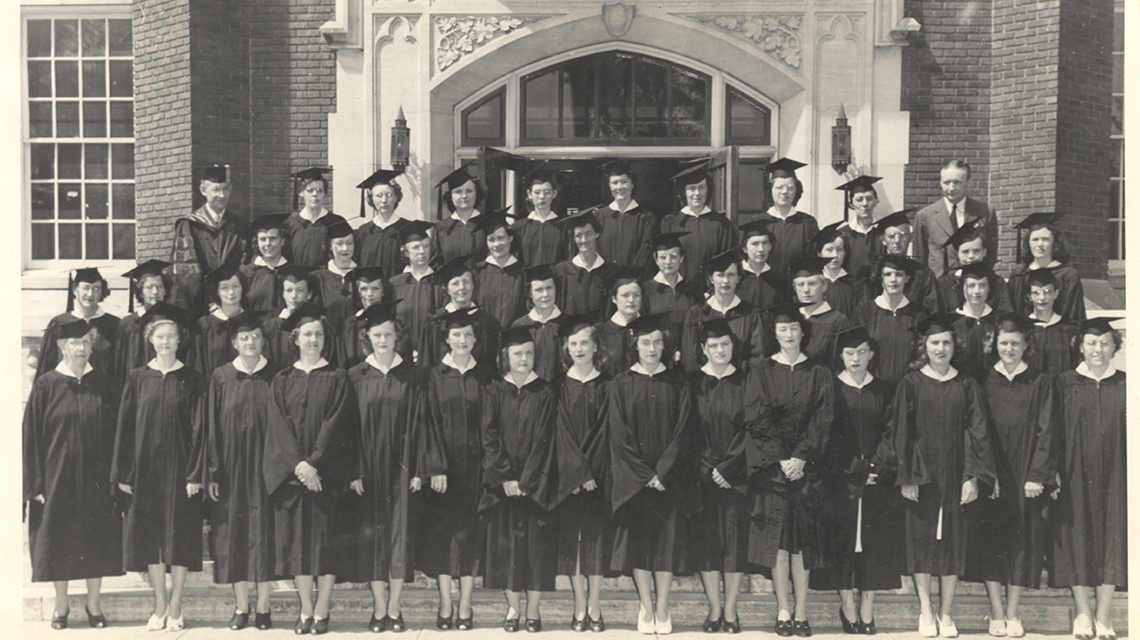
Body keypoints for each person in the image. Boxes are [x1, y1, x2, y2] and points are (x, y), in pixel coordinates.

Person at [884, 312, 996, 638]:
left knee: (953, 542)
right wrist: (908, 476)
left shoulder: (967, 384)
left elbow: (979, 432)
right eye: (935, 342)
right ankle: (925, 610)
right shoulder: (911, 383)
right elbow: (901, 432)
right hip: (922, 474)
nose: (941, 348)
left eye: (947, 342)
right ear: (925, 346)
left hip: (958, 473)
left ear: (953, 345)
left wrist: (973, 476)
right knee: (921, 542)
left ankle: (946, 614)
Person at [262, 303, 360, 635]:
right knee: (296, 547)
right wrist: (299, 466)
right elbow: (277, 427)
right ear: (295, 338)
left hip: (326, 477)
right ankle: (305, 608)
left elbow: (337, 425)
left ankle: (322, 608)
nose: (313, 339)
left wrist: (314, 463)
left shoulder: (338, 377)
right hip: (294, 479)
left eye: (318, 334)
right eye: (307, 334)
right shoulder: (282, 379)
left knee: (326, 544)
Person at [740, 303, 834, 638]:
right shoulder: (762, 370)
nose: (790, 334)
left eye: (795, 328)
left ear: (803, 332)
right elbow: (757, 416)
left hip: (807, 470)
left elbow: (824, 418)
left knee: (802, 542)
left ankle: (801, 610)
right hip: (773, 471)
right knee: (778, 541)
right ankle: (782, 608)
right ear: (774, 333)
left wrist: (802, 457)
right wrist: (781, 458)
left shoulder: (819, 373)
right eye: (783, 329)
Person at [23, 318, 124, 630]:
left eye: (86, 342)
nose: (81, 348)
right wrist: (35, 482)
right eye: (74, 343)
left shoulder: (105, 383)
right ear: (61, 347)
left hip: (96, 477)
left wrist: (116, 475)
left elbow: (119, 435)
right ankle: (61, 604)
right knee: (58, 540)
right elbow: (31, 437)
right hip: (57, 479)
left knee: (97, 538)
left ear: (92, 346)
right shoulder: (46, 385)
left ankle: (94, 603)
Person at [111, 303, 206, 632]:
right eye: (160, 337)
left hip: (181, 471)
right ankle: (160, 603)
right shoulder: (138, 378)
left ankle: (177, 603)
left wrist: (197, 474)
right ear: (151, 340)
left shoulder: (192, 379)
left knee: (179, 537)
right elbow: (125, 427)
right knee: (151, 538)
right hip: (147, 470)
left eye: (172, 337)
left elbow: (200, 429)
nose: (166, 342)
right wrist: (123, 473)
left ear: (181, 340)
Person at [607, 313, 699, 636]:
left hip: (668, 479)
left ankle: (663, 606)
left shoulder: (678, 383)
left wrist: (664, 472)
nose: (651, 347)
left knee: (667, 545)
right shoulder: (619, 383)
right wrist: (645, 474)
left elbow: (684, 430)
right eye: (645, 342)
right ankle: (646, 604)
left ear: (664, 345)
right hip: (637, 481)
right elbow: (619, 435)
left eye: (657, 342)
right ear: (635, 344)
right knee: (640, 543)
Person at [966, 313, 1057, 638]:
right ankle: (996, 611)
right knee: (992, 540)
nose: (1009, 349)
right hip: (994, 474)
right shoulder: (982, 380)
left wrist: (1037, 475)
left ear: (1025, 345)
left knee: (1022, 542)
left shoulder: (1040, 381)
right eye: (1003, 343)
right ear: (995, 345)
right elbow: (975, 430)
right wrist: (985, 474)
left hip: (1025, 475)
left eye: (1015, 343)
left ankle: (1014, 612)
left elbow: (1048, 430)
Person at [810, 327, 903, 635]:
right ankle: (847, 603)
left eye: (862, 352)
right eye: (850, 352)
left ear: (872, 354)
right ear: (841, 355)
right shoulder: (832, 389)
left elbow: (893, 431)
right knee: (842, 544)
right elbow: (825, 434)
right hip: (841, 478)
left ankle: (867, 606)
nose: (856, 358)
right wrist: (848, 467)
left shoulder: (885, 389)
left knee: (874, 545)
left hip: (877, 478)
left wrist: (879, 465)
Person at [417, 307, 496, 631]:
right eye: (456, 335)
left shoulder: (487, 374)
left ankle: (465, 605)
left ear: (475, 339)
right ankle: (445, 603)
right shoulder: (434, 375)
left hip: (476, 470)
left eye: (468, 335)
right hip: (444, 474)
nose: (462, 340)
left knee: (470, 536)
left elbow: (493, 423)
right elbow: (428, 422)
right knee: (444, 538)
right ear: (447, 339)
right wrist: (435, 466)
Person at [199, 311, 279, 631]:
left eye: (255, 337)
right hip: (231, 470)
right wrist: (213, 471)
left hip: (266, 469)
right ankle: (241, 606)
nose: (250, 342)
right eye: (244, 337)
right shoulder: (221, 377)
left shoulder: (276, 375)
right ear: (234, 342)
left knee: (264, 535)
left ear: (264, 340)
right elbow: (211, 427)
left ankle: (263, 606)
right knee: (234, 535)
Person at [480, 326, 560, 633]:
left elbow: (546, 439)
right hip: (505, 487)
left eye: (528, 353)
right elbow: (488, 437)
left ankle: (534, 610)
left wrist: (527, 480)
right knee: (509, 549)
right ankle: (513, 609)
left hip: (536, 486)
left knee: (536, 549)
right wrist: (506, 477)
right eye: (517, 354)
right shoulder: (494, 391)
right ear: (506, 357)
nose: (523, 358)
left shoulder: (545, 392)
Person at [347, 303, 422, 633]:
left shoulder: (413, 375)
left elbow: (421, 425)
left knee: (399, 538)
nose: (382, 340)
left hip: (402, 468)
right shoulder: (355, 376)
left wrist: (418, 468)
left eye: (388, 334)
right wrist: (354, 470)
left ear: (397, 337)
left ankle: (395, 608)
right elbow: (347, 429)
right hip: (369, 470)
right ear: (368, 337)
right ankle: (379, 608)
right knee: (374, 539)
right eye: (376, 335)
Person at [1050, 317, 1126, 640]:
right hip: (1073, 474)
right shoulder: (1064, 382)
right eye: (1092, 343)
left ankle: (1103, 614)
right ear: (1080, 347)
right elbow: (1051, 430)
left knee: (1113, 538)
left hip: (1116, 474)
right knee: (1075, 537)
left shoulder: (1127, 383)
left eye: (1105, 343)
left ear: (1114, 347)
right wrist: (1051, 471)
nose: (1099, 349)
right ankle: (1083, 613)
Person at [551, 313, 614, 633]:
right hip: (569, 480)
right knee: (575, 543)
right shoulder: (558, 386)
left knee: (596, 542)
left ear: (595, 346)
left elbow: (607, 431)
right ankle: (578, 604)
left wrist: (591, 473)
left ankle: (595, 604)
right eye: (573, 343)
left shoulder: (608, 384)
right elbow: (558, 431)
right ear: (566, 347)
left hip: (599, 478)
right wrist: (576, 473)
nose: (579, 348)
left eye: (584, 342)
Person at [689, 319, 750, 634]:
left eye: (725, 344)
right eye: (713, 345)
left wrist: (728, 469)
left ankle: (731, 608)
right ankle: (714, 609)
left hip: (736, 477)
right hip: (704, 478)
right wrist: (710, 468)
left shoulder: (746, 382)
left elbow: (753, 429)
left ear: (733, 346)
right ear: (703, 349)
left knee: (735, 544)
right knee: (709, 544)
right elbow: (688, 432)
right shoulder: (693, 383)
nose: (720, 350)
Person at [169, 166, 249, 314]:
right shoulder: (189, 225)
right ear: (203, 190)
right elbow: (185, 273)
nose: (222, 195)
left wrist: (225, 298)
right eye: (216, 189)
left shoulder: (239, 225)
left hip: (231, 301)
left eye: (225, 189)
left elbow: (245, 263)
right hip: (200, 305)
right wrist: (211, 298)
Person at [680, 250, 766, 374]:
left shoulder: (751, 313)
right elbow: (690, 358)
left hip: (742, 384)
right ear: (711, 279)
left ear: (738, 278)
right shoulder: (696, 314)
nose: (725, 281)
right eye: (720, 275)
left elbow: (758, 356)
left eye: (731, 275)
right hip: (706, 385)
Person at [850, 255, 929, 386]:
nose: (893, 280)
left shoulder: (919, 314)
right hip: (873, 390)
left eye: (899, 274)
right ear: (880, 278)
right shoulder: (865, 312)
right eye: (887, 274)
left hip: (909, 388)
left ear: (907, 278)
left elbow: (922, 356)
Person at [912, 160, 998, 278]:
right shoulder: (925, 216)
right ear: (940, 183)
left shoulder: (985, 212)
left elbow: (991, 255)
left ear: (968, 182)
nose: (951, 188)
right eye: (946, 182)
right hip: (939, 287)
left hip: (974, 284)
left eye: (957, 182)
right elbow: (920, 260)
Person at [36, 267, 120, 380]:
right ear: (75, 290)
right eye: (85, 288)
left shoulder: (114, 324)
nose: (90, 294)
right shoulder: (59, 323)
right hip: (65, 392)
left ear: (102, 293)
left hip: (103, 394)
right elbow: (46, 366)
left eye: (96, 288)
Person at [660, 164, 736, 283]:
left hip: (712, 292)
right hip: (680, 290)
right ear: (683, 192)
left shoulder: (721, 224)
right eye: (692, 188)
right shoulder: (670, 222)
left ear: (708, 190)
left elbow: (727, 260)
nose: (697, 193)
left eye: (701, 187)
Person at [114, 260, 183, 392]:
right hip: (138, 390)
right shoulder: (128, 325)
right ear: (140, 292)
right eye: (149, 287)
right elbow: (121, 367)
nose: (155, 291)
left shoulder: (175, 321)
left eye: (159, 286)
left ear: (165, 290)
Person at [422, 255, 502, 367]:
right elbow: (426, 362)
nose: (461, 287)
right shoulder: (434, 321)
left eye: (466, 282)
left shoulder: (489, 322)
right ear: (446, 289)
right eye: (455, 283)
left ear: (473, 285)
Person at [1006, 212, 1086, 322]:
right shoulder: (1018, 275)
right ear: (1028, 243)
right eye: (1035, 239)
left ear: (1055, 243)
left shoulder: (1068, 275)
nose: (1040, 244)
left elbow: (1072, 315)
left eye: (1045, 239)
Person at [865, 209, 942, 312]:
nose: (897, 241)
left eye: (902, 235)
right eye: (891, 236)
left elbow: (933, 309)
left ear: (911, 237)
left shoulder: (924, 273)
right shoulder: (874, 272)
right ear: (883, 239)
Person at [752, 158, 817, 275]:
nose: (784, 192)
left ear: (797, 191)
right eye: (779, 187)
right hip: (767, 286)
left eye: (790, 187)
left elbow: (812, 259)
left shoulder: (807, 223)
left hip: (797, 287)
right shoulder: (758, 221)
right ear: (770, 190)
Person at [388, 220, 441, 363]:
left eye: (426, 246)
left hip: (434, 355)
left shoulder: (440, 282)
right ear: (405, 251)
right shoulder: (395, 284)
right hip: (402, 354)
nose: (422, 252)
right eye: (416, 247)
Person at [934, 221, 1012, 313]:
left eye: (976, 251)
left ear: (984, 252)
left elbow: (1007, 318)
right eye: (965, 252)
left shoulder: (997, 283)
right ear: (957, 254)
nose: (971, 256)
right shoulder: (945, 284)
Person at [593, 161, 658, 268]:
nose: (619, 187)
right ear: (609, 186)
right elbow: (596, 249)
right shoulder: (599, 216)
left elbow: (646, 251)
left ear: (632, 184)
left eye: (624, 181)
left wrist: (630, 278)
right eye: (614, 183)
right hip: (606, 280)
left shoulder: (646, 217)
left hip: (635, 280)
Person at [640, 232, 701, 345]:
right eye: (663, 257)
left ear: (681, 258)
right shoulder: (646, 290)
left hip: (688, 351)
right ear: (656, 259)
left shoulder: (691, 289)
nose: (668, 262)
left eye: (673, 257)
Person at [282, 168, 349, 269]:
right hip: (299, 281)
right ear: (301, 193)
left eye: (319, 190)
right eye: (310, 190)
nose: (315, 194)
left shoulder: (337, 222)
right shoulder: (291, 224)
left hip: (327, 280)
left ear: (325, 194)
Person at [790, 257, 852, 367]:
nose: (806, 290)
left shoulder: (837, 321)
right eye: (800, 284)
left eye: (812, 283)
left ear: (824, 286)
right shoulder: (791, 319)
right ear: (794, 288)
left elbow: (841, 364)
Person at [552, 210, 616, 315]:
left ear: (597, 234)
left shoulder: (610, 271)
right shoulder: (562, 271)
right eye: (578, 235)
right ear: (573, 238)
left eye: (589, 234)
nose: (584, 240)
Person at [189, 259, 246, 377]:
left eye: (235, 286)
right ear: (217, 292)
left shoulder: (250, 322)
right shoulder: (205, 326)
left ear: (242, 288)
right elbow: (198, 366)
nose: (231, 292)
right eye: (224, 288)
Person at [262, 265, 326, 368]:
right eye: (289, 290)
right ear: (282, 294)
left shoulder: (318, 325)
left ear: (309, 295)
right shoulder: (270, 328)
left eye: (300, 290)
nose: (294, 295)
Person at [510, 264, 565, 382]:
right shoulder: (520, 326)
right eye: (539, 290)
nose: (545, 294)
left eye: (549, 288)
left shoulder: (567, 323)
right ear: (530, 293)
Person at [474, 209, 527, 328]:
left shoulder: (524, 272)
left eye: (501, 238)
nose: (496, 244)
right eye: (491, 239)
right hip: (485, 338)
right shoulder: (478, 272)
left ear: (511, 238)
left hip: (515, 340)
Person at [950, 262, 1002, 380]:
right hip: (961, 388)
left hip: (994, 388)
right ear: (963, 288)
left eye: (982, 285)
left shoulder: (999, 321)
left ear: (990, 288)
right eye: (971, 285)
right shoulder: (952, 322)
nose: (977, 291)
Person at [1022, 269, 1079, 375]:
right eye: (1036, 293)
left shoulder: (1069, 328)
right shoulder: (1023, 328)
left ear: (1056, 294)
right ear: (1029, 297)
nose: (1042, 298)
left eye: (1048, 292)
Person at [354, 168, 410, 277]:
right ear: (372, 199)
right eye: (379, 196)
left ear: (396, 198)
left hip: (399, 290)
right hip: (370, 291)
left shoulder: (408, 228)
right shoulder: (364, 231)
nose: (384, 200)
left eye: (389, 195)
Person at [336, 268, 395, 369]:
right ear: (358, 292)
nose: (369, 294)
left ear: (383, 291)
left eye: (375, 288)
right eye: (364, 289)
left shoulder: (394, 322)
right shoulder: (350, 325)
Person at [595, 267, 646, 377]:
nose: (631, 300)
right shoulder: (601, 332)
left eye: (636, 295)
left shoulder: (650, 329)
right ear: (614, 299)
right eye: (625, 295)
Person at [310, 219, 358, 332]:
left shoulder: (362, 275)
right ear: (330, 246)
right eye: (339, 243)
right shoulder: (318, 278)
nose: (345, 248)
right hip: (329, 341)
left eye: (349, 243)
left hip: (356, 341)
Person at [432, 168, 488, 264]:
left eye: (469, 191)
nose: (464, 196)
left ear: (476, 194)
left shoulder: (488, 223)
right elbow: (435, 263)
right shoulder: (441, 228)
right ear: (451, 196)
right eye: (458, 191)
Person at [513, 170, 569, 265]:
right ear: (529, 194)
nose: (542, 196)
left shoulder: (564, 227)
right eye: (537, 192)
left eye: (547, 192)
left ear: (554, 194)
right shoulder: (518, 228)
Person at [240, 214, 292, 314]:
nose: (267, 243)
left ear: (282, 241)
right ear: (257, 242)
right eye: (263, 239)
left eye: (273, 238)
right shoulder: (247, 273)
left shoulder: (292, 272)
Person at [836, 175, 883, 279]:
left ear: (876, 201)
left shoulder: (883, 232)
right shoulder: (842, 234)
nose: (865, 204)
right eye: (859, 199)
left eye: (869, 198)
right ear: (851, 204)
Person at [814, 223, 862, 319]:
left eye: (839, 249)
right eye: (829, 250)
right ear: (819, 253)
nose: (835, 255)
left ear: (845, 253)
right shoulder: (814, 283)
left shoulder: (856, 285)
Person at [736, 220, 788, 309]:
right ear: (744, 248)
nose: (761, 249)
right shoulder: (736, 276)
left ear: (771, 246)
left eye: (765, 243)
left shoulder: (779, 279)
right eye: (755, 244)